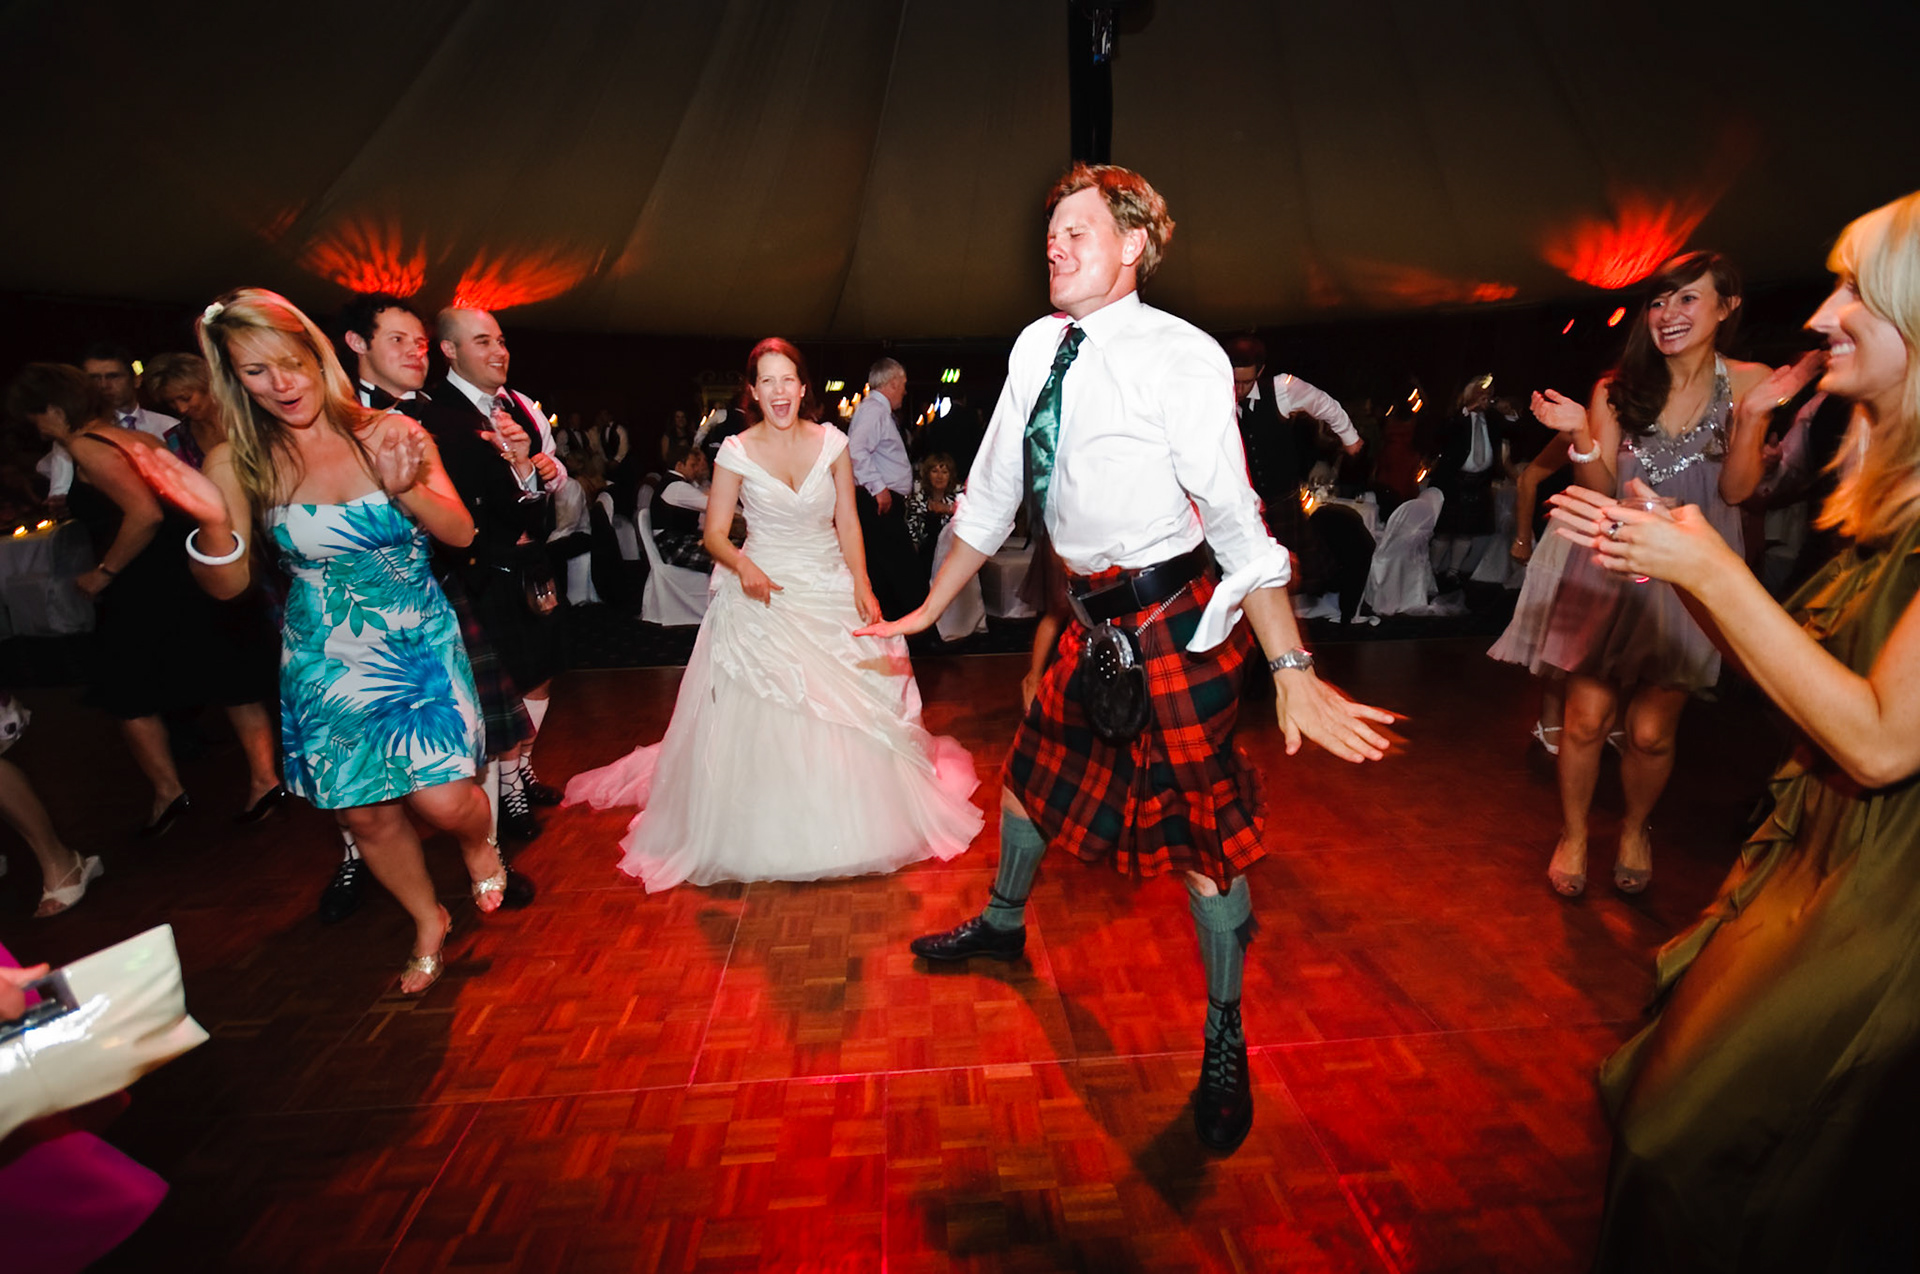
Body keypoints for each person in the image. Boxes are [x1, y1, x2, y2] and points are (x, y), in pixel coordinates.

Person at [857, 164, 1394, 1156]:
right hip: (1089, 622)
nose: (1054, 244)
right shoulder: (1036, 346)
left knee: (1205, 844)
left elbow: (1237, 521)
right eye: (1051, 231)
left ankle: (1224, 1033)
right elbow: (992, 492)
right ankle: (1003, 922)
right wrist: (926, 606)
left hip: (1176, 623)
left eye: (1079, 230)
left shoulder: (1181, 356)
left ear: (1134, 244)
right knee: (1028, 780)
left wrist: (1290, 666)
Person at [1546, 190, 1920, 1272]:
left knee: (1699, 1147)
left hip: (1891, 894)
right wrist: (1668, 558)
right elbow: (1802, 679)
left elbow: (1883, 744)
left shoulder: (1757, 394)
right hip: (1822, 857)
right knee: (1683, 1117)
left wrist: (1707, 567)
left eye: (1858, 290)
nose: (1826, 315)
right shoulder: (1886, 502)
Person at [115, 287, 533, 995]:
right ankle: (426, 918)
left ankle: (477, 843)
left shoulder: (390, 431)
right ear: (233, 380)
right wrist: (212, 522)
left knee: (442, 801)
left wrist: (405, 489)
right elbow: (228, 587)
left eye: (289, 362)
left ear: (317, 355)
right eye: (255, 371)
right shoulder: (237, 462)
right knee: (365, 814)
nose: (280, 384)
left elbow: (461, 533)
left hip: (415, 644)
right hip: (322, 655)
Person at [565, 338, 982, 889]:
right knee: (770, 709)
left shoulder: (833, 443)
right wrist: (744, 566)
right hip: (762, 594)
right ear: (754, 392)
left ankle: (852, 823)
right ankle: (766, 828)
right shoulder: (735, 451)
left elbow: (848, 521)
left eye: (788, 379)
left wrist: (861, 582)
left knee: (849, 705)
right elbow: (714, 534)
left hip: (828, 584)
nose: (779, 391)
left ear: (803, 387)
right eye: (768, 381)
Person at [1529, 252, 1793, 896]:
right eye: (1658, 301)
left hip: (1690, 570)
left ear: (1727, 307)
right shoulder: (1616, 387)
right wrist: (1580, 435)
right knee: (1586, 719)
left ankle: (1635, 828)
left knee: (1650, 733)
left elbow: (1736, 492)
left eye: (1686, 299)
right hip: (1612, 560)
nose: (1667, 314)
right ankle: (1573, 834)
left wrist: (1753, 419)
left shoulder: (1751, 381)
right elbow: (1598, 489)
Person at [306, 292, 533, 926]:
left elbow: (489, 514)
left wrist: (521, 468)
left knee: (460, 756)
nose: (415, 353)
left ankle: (485, 853)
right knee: (353, 761)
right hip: (342, 614)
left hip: (438, 597)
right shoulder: (320, 421)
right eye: (398, 340)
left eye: (421, 343)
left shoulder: (445, 418)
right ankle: (355, 856)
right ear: (357, 344)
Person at [4, 364, 282, 833]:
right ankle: (264, 781)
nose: (36, 428)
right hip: (183, 566)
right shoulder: (132, 438)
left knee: (127, 691)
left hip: (146, 581)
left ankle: (168, 793)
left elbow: (144, 513)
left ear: (52, 409)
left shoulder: (86, 445)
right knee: (228, 670)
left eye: (35, 417)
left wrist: (103, 572)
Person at [418, 307, 570, 842]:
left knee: (542, 668)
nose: (499, 351)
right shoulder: (432, 415)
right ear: (450, 350)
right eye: (483, 342)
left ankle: (521, 769)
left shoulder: (521, 406)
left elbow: (549, 473)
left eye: (501, 341)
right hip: (478, 570)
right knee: (499, 685)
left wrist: (541, 470)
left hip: (530, 562)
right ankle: (506, 790)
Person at [847, 358, 927, 619]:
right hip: (879, 500)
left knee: (884, 571)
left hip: (881, 499)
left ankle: (890, 624)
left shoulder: (877, 411)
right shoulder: (874, 410)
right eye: (902, 384)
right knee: (903, 570)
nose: (904, 391)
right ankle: (917, 628)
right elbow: (856, 450)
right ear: (892, 383)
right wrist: (878, 488)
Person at [143, 352, 225, 469]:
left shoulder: (245, 420)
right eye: (171, 402)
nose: (181, 409)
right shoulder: (177, 439)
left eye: (186, 398)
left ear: (207, 385)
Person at [650, 441, 713, 569]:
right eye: (692, 465)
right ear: (679, 466)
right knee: (724, 560)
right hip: (673, 545)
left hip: (676, 540)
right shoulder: (677, 487)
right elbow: (712, 505)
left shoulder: (673, 483)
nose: (696, 469)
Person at [905, 451, 960, 565]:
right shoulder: (918, 498)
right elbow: (912, 534)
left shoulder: (960, 496)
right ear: (927, 474)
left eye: (944, 472)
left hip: (953, 554)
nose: (939, 476)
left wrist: (948, 508)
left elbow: (973, 514)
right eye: (934, 471)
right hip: (925, 556)